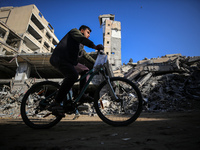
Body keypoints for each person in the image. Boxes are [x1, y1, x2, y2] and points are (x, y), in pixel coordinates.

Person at [50, 25, 104, 116]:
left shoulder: (80, 45)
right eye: (88, 32)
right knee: (73, 75)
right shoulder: (74, 32)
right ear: (82, 31)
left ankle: (81, 95)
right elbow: (82, 39)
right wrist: (94, 46)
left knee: (85, 70)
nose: (89, 35)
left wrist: (96, 63)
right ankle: (56, 102)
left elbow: (85, 55)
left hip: (69, 62)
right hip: (60, 58)